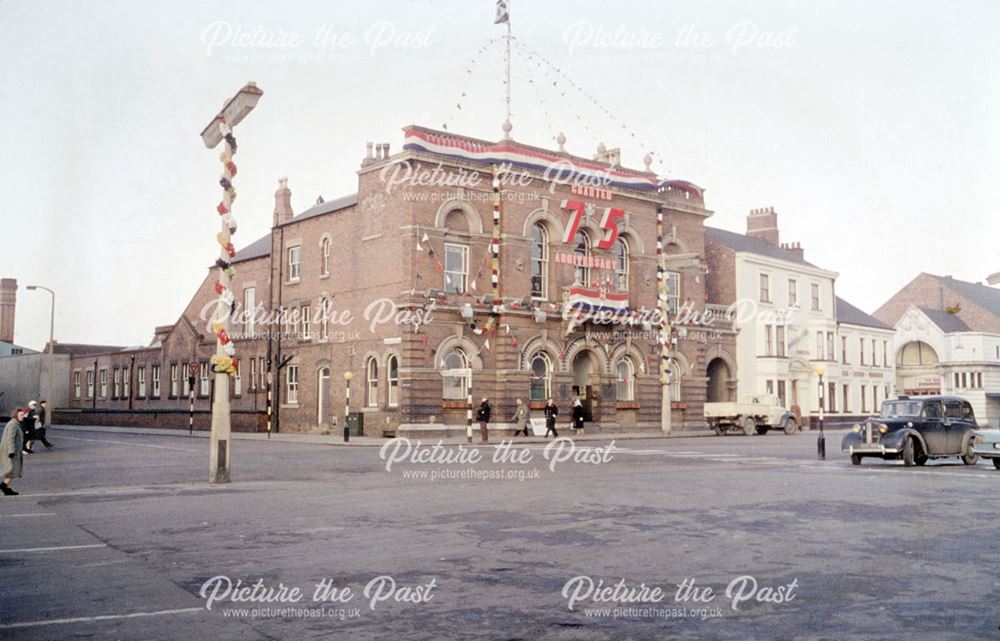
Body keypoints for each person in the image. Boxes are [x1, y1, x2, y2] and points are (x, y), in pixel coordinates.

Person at [1, 408, 26, 496]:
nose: (22, 417)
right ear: (16, 415)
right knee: (13, 470)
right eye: (21, 415)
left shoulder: (15, 423)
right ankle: (4, 487)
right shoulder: (13, 425)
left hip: (13, 451)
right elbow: (10, 439)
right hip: (12, 452)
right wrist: (11, 451)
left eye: (23, 415)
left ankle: (5, 487)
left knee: (11, 470)